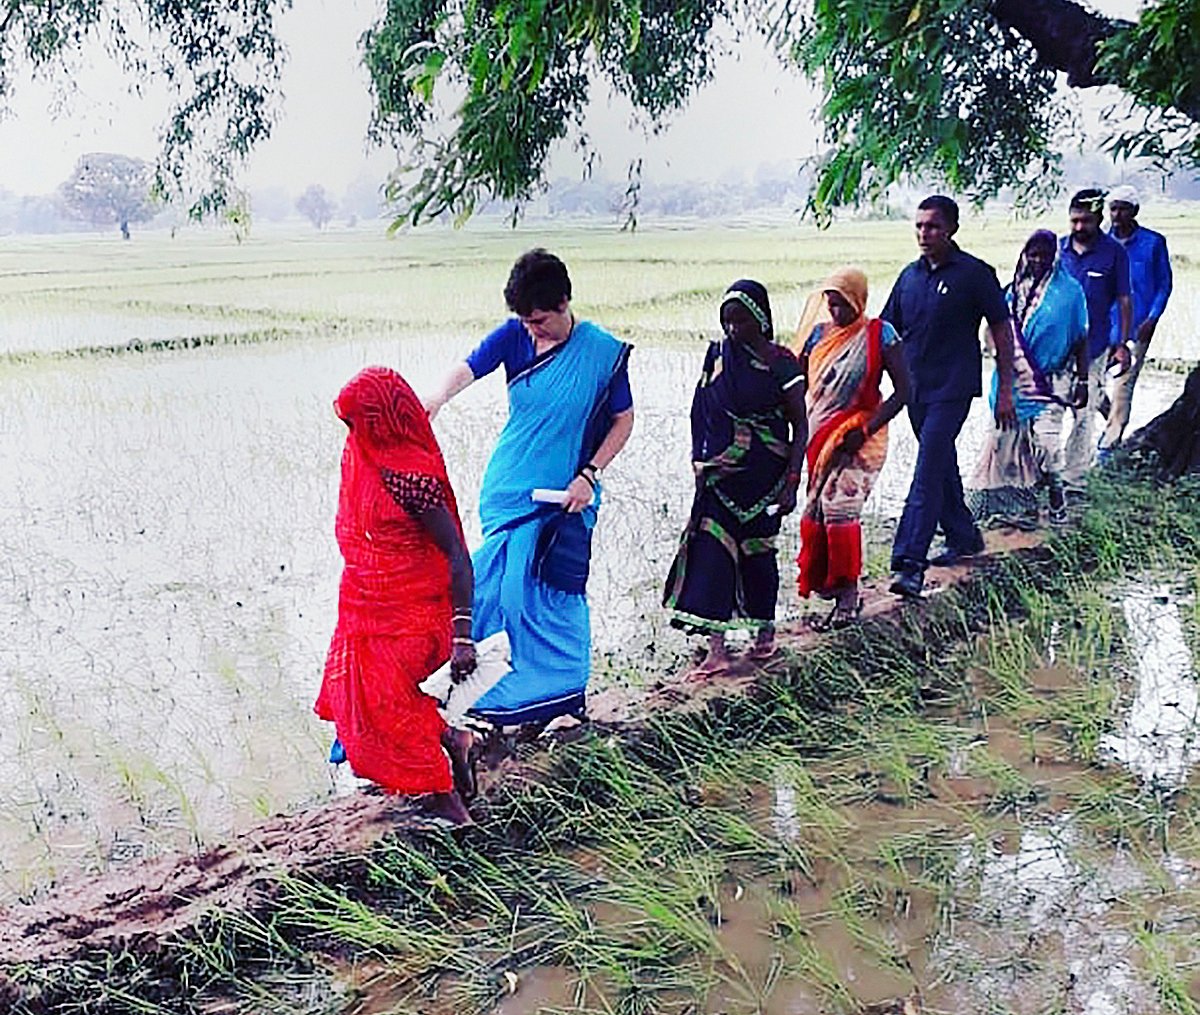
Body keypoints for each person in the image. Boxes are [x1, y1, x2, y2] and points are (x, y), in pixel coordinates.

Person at [423, 249, 634, 726]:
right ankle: (490, 694)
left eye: (539, 320)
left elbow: (623, 420)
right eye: (524, 321)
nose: (531, 330)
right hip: (510, 490)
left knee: (557, 594)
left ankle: (560, 692)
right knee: (494, 593)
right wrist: (436, 397)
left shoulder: (601, 353)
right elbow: (470, 365)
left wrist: (589, 474)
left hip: (568, 499)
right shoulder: (516, 337)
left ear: (564, 303)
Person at [315, 366, 477, 826]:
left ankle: (446, 802)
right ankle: (453, 739)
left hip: (417, 614)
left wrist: (462, 634)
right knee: (357, 695)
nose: (352, 435)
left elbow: (457, 556)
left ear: (381, 421)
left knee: (386, 701)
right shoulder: (362, 457)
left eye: (358, 424)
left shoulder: (412, 478)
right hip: (366, 606)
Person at [663, 280, 806, 671]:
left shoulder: (782, 363)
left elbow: (800, 425)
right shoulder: (718, 358)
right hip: (720, 475)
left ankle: (764, 632)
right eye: (727, 322)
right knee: (713, 556)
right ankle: (717, 649)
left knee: (759, 557)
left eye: (741, 321)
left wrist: (793, 481)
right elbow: (700, 411)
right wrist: (698, 460)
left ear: (760, 319)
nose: (732, 330)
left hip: (765, 477)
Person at [883, 195, 1017, 599]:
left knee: (926, 469)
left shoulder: (975, 274)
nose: (925, 234)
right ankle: (964, 537)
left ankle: (909, 564)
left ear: (952, 229)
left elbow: (1002, 332)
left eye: (933, 226)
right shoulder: (909, 277)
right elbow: (887, 331)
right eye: (920, 226)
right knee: (940, 466)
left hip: (953, 388)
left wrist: (1006, 388)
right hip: (915, 390)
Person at [791, 267, 909, 629]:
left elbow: (905, 391)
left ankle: (849, 598)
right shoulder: (816, 336)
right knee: (818, 511)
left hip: (861, 436)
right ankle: (832, 587)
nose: (837, 312)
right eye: (832, 304)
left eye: (843, 304)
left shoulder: (879, 334)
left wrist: (866, 428)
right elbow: (796, 384)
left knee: (840, 507)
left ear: (859, 300)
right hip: (820, 436)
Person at [965, 230, 1089, 528]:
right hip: (1010, 381)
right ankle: (1022, 507)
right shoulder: (1010, 292)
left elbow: (1081, 338)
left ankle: (1057, 498)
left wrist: (1082, 380)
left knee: (1046, 444)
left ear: (1054, 257)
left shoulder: (1070, 293)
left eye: (1044, 255)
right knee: (1006, 445)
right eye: (1033, 254)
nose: (1038, 260)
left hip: (1051, 381)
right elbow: (995, 332)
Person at [1058, 187, 1133, 486]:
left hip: (1095, 346)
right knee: (1049, 410)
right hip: (1056, 348)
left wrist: (1123, 345)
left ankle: (1074, 477)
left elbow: (1124, 300)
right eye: (1074, 220)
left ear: (1099, 218)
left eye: (1086, 221)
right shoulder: (1057, 250)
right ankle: (1043, 473)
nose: (1079, 227)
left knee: (1082, 412)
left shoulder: (1114, 253)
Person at [1100, 184, 1173, 451]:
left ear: (1135, 211)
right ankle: (1111, 422)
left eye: (1123, 209)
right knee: (1090, 385)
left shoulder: (1153, 243)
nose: (1117, 214)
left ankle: (1107, 447)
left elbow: (1164, 285)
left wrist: (1152, 318)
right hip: (1102, 327)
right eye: (1113, 209)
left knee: (1122, 387)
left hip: (1137, 328)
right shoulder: (1100, 243)